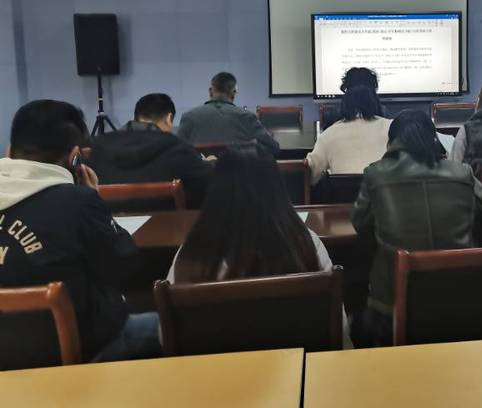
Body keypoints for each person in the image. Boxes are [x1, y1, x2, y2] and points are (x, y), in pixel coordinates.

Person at [0, 100, 161, 362]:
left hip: (8, 361)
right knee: (172, 326)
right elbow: (126, 268)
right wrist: (94, 200)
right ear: (75, 157)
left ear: (9, 151)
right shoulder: (78, 202)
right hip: (78, 353)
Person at [352, 110, 482, 346]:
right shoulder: (461, 172)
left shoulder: (375, 174)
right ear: (434, 139)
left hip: (391, 308)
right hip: (461, 302)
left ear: (392, 142)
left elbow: (359, 222)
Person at [166, 146, 350, 345]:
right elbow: (338, 328)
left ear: (214, 192)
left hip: (214, 365)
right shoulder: (307, 243)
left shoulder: (191, 252)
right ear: (279, 190)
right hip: (299, 363)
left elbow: (166, 334)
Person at [88, 93, 214, 210]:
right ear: (169, 118)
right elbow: (206, 183)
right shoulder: (176, 147)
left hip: (109, 223)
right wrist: (209, 163)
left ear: (136, 117)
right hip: (167, 224)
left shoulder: (99, 146)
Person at [306, 68, 391, 185]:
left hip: (342, 196)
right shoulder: (392, 129)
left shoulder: (328, 134)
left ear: (346, 95)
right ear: (374, 95)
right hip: (384, 195)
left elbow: (310, 176)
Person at [177, 72, 279, 157]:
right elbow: (273, 148)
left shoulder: (189, 117)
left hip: (200, 175)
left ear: (210, 91)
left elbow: (177, 152)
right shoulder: (247, 117)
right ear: (234, 92)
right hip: (238, 174)